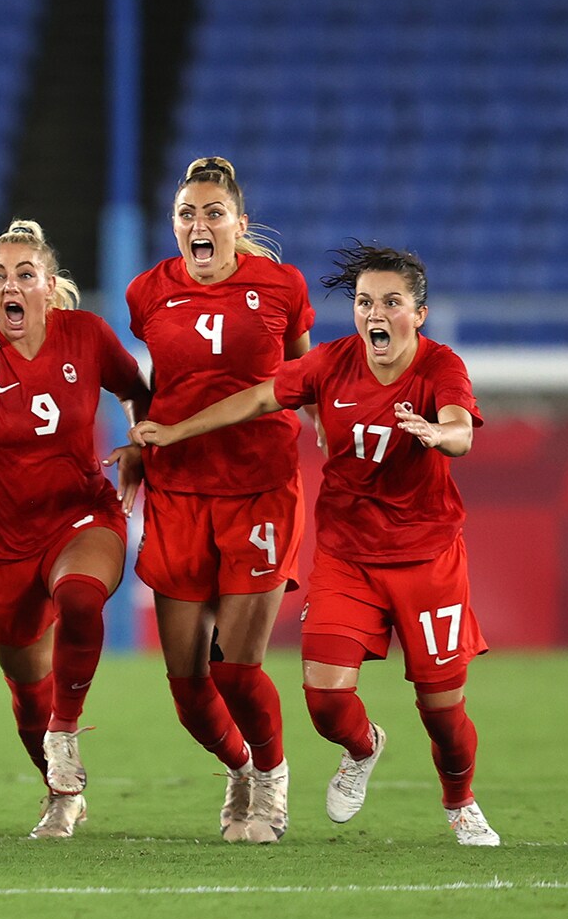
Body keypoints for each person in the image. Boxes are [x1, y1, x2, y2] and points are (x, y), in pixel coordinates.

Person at [132, 244, 498, 846]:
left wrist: (438, 433)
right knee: (326, 704)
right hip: (347, 557)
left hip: (427, 559)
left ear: (419, 313)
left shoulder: (441, 367)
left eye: (391, 302)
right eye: (363, 302)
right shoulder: (330, 364)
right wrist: (173, 430)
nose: (374, 313)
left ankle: (461, 802)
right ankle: (364, 747)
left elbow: (460, 428)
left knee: (443, 712)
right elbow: (254, 398)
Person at [0, 221, 149, 838]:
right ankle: (60, 792)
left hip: (79, 512)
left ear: (46, 285)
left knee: (81, 597)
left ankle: (67, 729)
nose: (8, 286)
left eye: (22, 275)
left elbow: (136, 389)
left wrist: (140, 443)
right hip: (0, 537)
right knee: (25, 682)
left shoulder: (85, 334)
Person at [126, 156, 315, 843]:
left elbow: (300, 373)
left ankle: (272, 783)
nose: (198, 225)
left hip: (259, 492)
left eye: (212, 213)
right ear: (173, 226)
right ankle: (239, 765)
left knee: (236, 669)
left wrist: (330, 427)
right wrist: (137, 444)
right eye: (186, 214)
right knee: (185, 687)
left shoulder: (281, 285)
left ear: (238, 222)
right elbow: (156, 387)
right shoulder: (147, 292)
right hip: (178, 493)